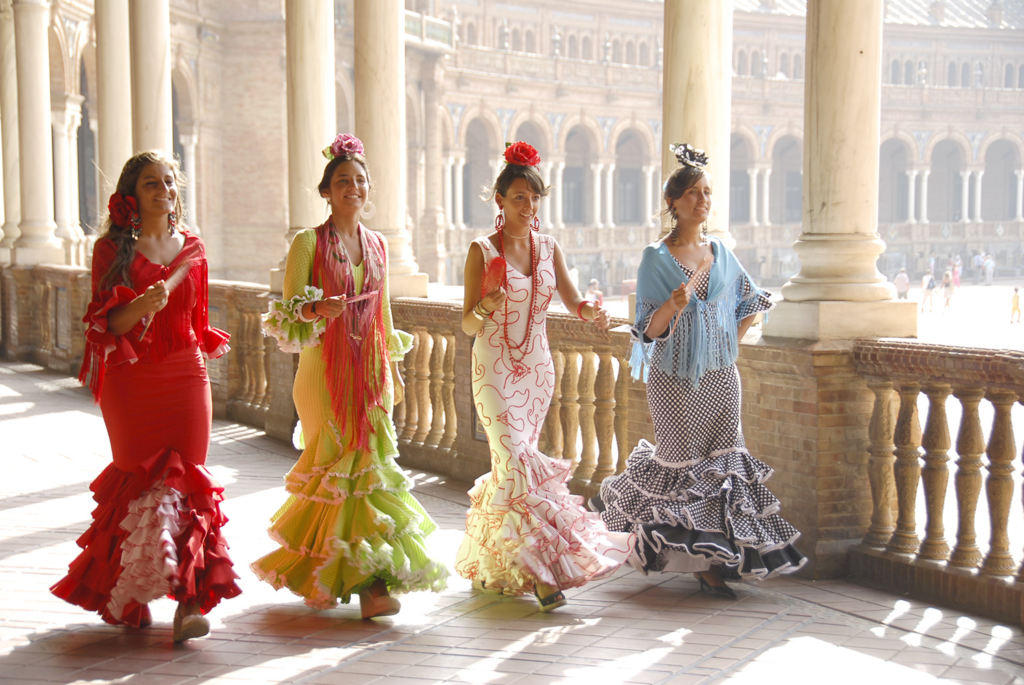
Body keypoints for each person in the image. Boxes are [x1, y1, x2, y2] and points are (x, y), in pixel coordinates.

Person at [594, 144, 806, 599]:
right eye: (692, 193)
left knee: (722, 467)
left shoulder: (721, 253)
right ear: (672, 202)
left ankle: (713, 559)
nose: (702, 200)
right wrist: (672, 306)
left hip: (721, 379)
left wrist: (729, 342)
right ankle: (698, 561)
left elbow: (753, 301)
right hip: (674, 382)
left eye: (706, 192)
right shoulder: (656, 258)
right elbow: (646, 333)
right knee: (681, 466)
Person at [253, 134, 448, 618]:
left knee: (369, 474)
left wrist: (392, 373)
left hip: (369, 372)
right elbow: (285, 313)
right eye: (343, 181)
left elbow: (382, 313)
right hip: (322, 373)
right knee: (338, 472)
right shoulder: (307, 243)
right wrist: (319, 306)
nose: (353, 188)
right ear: (326, 191)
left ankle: (362, 579)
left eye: (360, 181)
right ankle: (363, 585)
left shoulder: (378, 244)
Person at [51, 151, 240, 642]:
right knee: (138, 486)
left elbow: (197, 325)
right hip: (131, 383)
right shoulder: (109, 251)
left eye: (170, 182)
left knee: (190, 487)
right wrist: (138, 306)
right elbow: (103, 324)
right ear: (131, 195)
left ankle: (190, 603)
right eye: (152, 183)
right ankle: (128, 592)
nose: (164, 190)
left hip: (185, 374)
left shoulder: (194, 249)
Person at [454, 141, 632, 612]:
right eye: (518, 197)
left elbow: (573, 302)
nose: (528, 207)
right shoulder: (481, 250)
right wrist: (486, 306)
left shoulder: (550, 248)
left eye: (534, 198)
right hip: (492, 366)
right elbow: (468, 323)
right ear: (500, 200)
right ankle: (541, 576)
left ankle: (491, 563)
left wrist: (592, 311)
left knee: (513, 471)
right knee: (516, 462)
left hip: (537, 368)